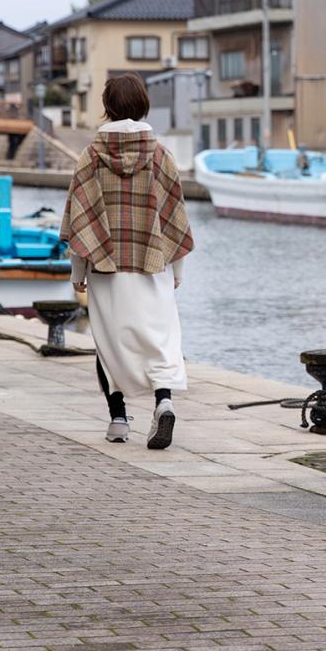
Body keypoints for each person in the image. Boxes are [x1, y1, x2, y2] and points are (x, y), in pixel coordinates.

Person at [60, 73, 194, 449]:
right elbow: (174, 215)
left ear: (109, 107)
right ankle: (163, 402)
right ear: (143, 105)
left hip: (106, 265)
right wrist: (177, 270)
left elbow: (80, 216)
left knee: (110, 343)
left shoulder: (91, 154)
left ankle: (118, 419)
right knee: (160, 339)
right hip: (153, 265)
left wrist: (77, 271)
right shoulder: (160, 154)